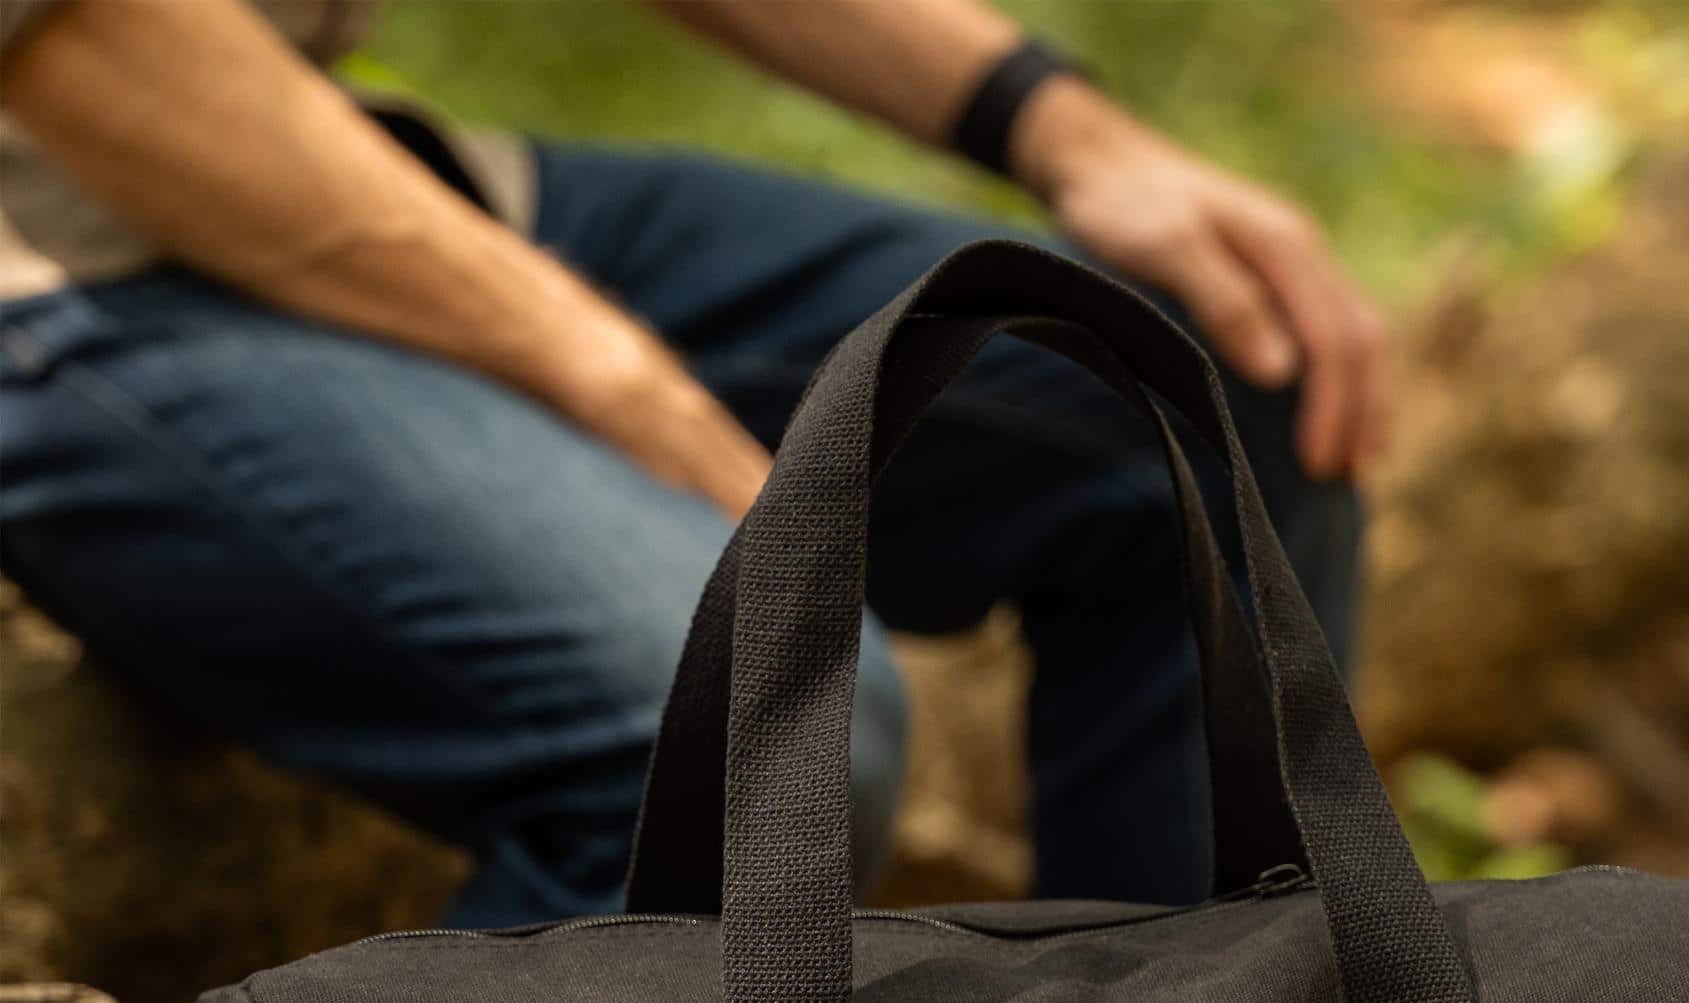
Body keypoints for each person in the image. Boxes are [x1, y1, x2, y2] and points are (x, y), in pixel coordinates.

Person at [0, 0, 1386, 922]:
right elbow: (92, 44)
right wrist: (611, 378)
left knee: (1199, 396)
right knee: (752, 714)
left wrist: (1067, 132)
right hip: (53, 269)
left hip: (348, 164)